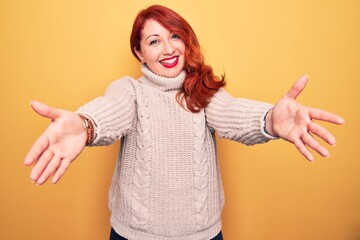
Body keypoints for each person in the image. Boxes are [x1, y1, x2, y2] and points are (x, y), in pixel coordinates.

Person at [24, 5, 344, 240]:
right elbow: (111, 110)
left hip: (203, 236)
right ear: (139, 52)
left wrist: (271, 119)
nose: (167, 48)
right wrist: (85, 125)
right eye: (154, 41)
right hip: (132, 237)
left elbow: (232, 114)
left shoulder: (202, 92)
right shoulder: (129, 90)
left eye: (174, 36)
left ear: (185, 41)